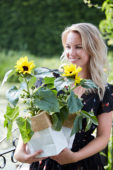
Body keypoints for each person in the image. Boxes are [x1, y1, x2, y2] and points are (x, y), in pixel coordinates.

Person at [14, 23, 113, 170]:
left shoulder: (103, 91)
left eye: (78, 47)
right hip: (45, 161)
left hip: (82, 162)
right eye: (68, 46)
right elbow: (34, 120)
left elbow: (103, 137)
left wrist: (74, 157)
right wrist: (20, 151)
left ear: (92, 49)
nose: (71, 53)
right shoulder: (49, 81)